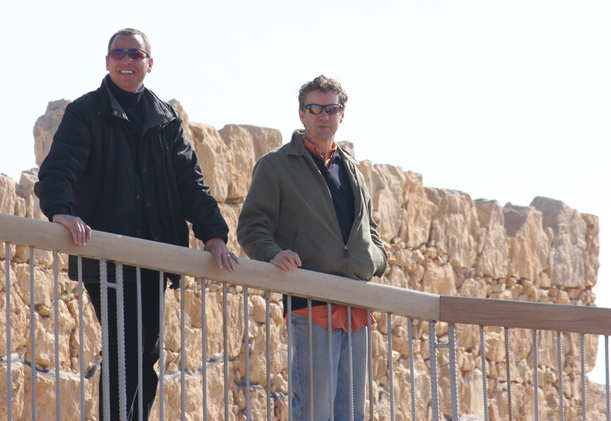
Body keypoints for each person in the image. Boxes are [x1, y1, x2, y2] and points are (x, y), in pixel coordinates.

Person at [34, 27, 238, 421]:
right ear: (107, 62)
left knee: (147, 353)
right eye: (119, 53)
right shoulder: (86, 112)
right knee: (123, 349)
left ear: (149, 63)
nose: (127, 60)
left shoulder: (164, 119)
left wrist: (214, 234)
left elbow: (189, 181)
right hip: (107, 256)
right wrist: (62, 210)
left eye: (135, 54)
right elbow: (59, 169)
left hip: (151, 259)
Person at [237, 75, 387, 420]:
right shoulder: (276, 165)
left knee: (350, 413)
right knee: (314, 412)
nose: (324, 116)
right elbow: (251, 225)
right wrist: (272, 253)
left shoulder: (352, 169)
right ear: (301, 114)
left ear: (342, 115)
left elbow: (370, 231)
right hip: (311, 305)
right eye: (315, 109)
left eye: (331, 109)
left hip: (356, 307)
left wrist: (375, 260)